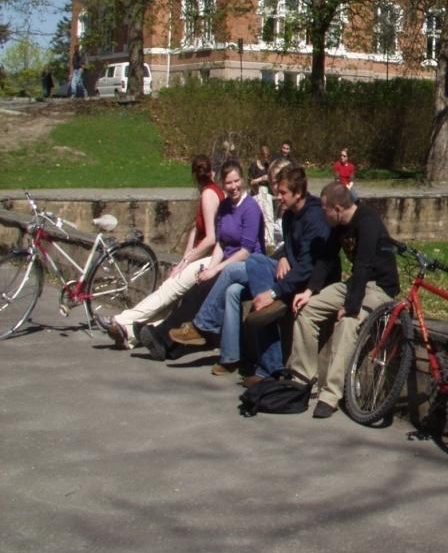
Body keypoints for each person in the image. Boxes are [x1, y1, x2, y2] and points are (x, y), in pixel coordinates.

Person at [170, 166, 332, 384]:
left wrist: (273, 293)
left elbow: (308, 266)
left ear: (298, 193)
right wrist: (284, 256)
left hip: (309, 282)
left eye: (283, 193)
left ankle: (204, 326)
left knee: (245, 269)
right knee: (234, 291)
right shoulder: (290, 216)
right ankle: (234, 359)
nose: (278, 197)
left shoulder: (314, 218)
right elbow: (292, 250)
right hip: (288, 271)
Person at [288, 182, 400, 419]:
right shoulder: (338, 225)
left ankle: (331, 395)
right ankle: (304, 379)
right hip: (355, 284)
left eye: (325, 209)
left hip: (379, 288)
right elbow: (326, 258)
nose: (322, 214)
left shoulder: (368, 220)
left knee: (348, 324)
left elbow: (364, 265)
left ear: (338, 208)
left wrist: (350, 307)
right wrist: (310, 291)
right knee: (305, 311)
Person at [99, 155, 224, 348]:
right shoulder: (209, 192)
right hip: (201, 256)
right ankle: (131, 334)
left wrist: (185, 262)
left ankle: (122, 320)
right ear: (212, 173)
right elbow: (196, 230)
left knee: (167, 291)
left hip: (209, 258)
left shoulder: (209, 195)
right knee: (170, 300)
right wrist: (183, 260)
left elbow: (210, 238)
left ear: (193, 176)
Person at [249, 144, 275, 250]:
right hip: (257, 191)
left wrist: (269, 178)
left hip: (266, 192)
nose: (265, 157)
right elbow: (250, 181)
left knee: (269, 216)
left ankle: (270, 241)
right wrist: (260, 179)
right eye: (264, 155)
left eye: (267, 156)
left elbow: (273, 179)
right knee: (259, 216)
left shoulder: (269, 166)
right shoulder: (254, 165)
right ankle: (258, 239)